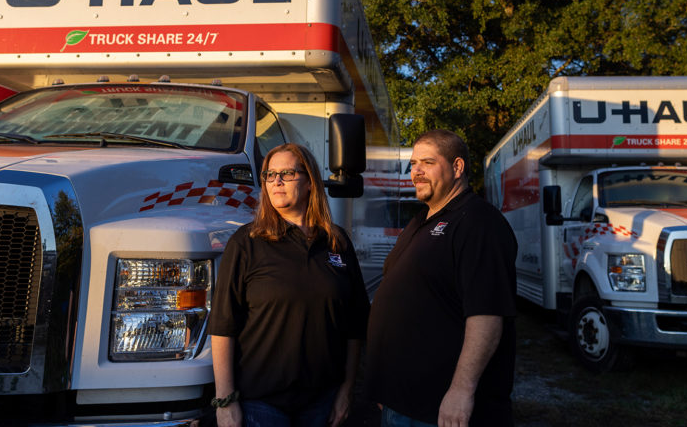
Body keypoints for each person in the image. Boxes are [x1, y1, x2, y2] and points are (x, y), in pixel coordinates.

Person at [208, 143, 370, 427]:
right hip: (260, 404)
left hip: (323, 402)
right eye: (270, 175)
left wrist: (346, 391)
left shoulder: (337, 242)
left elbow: (355, 327)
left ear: (309, 183)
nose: (277, 182)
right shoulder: (246, 243)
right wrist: (225, 401)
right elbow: (223, 327)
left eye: (287, 173)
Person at [366, 130, 518, 427]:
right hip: (401, 402)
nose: (416, 172)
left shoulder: (478, 222)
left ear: (457, 167)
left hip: (437, 410)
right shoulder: (420, 222)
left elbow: (486, 315)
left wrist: (461, 390)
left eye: (427, 162)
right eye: (412, 164)